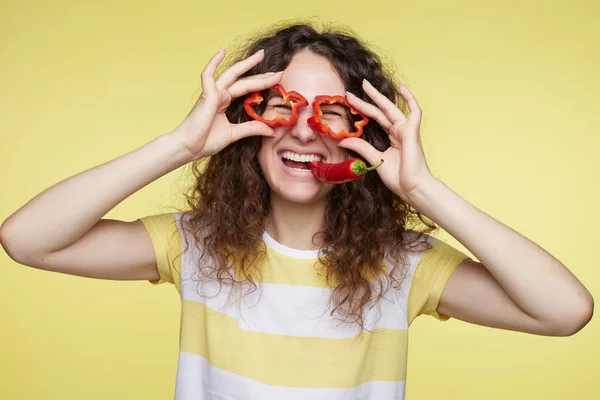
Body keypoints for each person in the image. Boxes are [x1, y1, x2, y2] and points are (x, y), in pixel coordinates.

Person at [0, 22, 594, 400]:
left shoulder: (403, 265)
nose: (307, 131)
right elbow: (27, 240)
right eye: (285, 105)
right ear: (248, 122)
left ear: (366, 130)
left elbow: (565, 311)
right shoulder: (195, 245)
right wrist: (180, 145)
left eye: (331, 111)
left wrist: (422, 190)